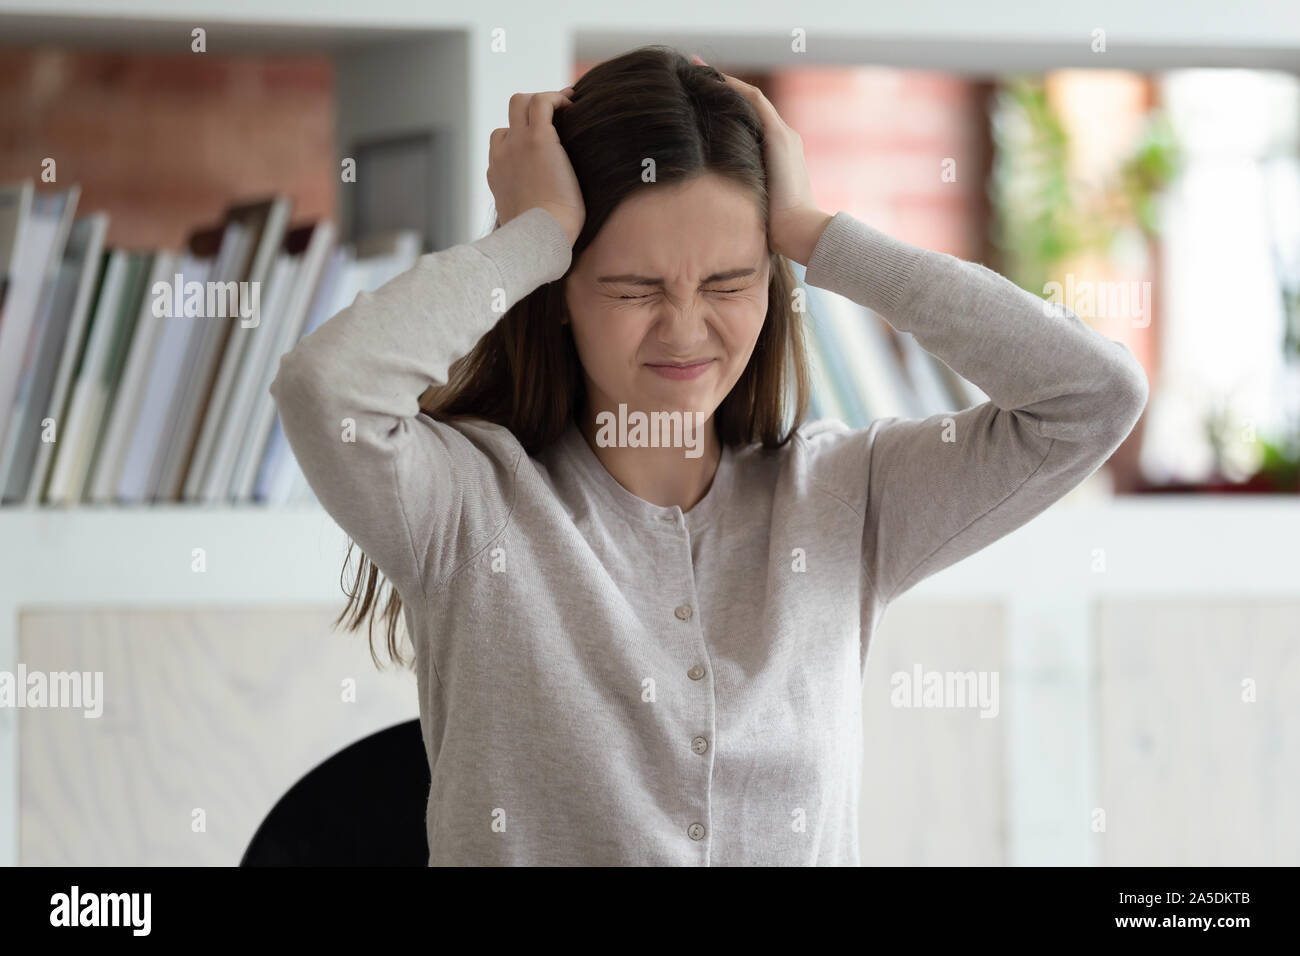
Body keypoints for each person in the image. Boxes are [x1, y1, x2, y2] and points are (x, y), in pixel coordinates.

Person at [269, 45, 1148, 866]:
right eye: (634, 288)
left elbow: (1092, 397)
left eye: (729, 283)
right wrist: (532, 233)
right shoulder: (466, 503)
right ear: (560, 294)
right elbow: (324, 391)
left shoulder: (845, 497)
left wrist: (816, 233)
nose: (686, 330)